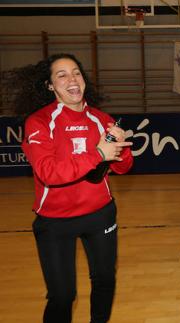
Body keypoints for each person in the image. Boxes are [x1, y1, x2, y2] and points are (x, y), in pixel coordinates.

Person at [6, 53, 133, 323]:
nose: (72, 79)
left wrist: (120, 146)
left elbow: (122, 168)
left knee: (105, 280)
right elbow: (48, 173)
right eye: (61, 75)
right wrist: (98, 153)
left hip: (100, 215)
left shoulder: (101, 119)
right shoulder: (39, 122)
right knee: (62, 296)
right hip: (55, 222)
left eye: (76, 72)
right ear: (50, 86)